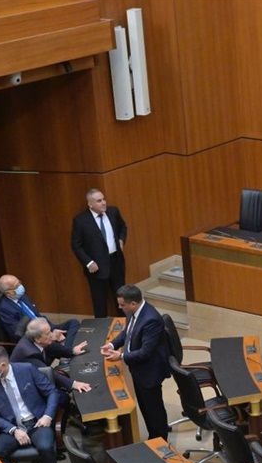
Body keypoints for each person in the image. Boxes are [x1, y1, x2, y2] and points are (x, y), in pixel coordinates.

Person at [101, 285, 170, 440]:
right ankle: (153, 436)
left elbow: (145, 352)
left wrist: (120, 356)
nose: (120, 308)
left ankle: (160, 440)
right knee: (145, 406)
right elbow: (128, 333)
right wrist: (111, 345)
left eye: (122, 305)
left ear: (133, 303)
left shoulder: (151, 319)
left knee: (154, 409)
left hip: (150, 371)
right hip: (138, 368)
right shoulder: (133, 312)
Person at [70, 188, 128, 318]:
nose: (103, 203)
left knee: (121, 299)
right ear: (90, 204)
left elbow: (123, 227)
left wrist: (121, 240)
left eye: (103, 199)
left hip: (116, 262)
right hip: (97, 267)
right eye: (99, 201)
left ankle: (125, 325)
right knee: (100, 302)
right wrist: (89, 262)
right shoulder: (81, 220)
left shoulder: (113, 212)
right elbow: (76, 245)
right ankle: (101, 328)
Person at [11, 317, 90, 394]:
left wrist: (72, 351)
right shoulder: (29, 354)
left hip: (38, 374)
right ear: (38, 339)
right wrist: (73, 384)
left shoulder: (37, 338)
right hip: (25, 386)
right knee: (62, 397)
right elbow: (47, 372)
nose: (52, 335)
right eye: (48, 333)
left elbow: (53, 346)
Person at [0, 274, 80, 343]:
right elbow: (17, 334)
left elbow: (37, 315)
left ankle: (66, 345)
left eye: (19, 282)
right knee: (62, 339)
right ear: (8, 293)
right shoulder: (5, 309)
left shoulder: (23, 296)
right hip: (36, 337)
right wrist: (48, 336)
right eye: (16, 286)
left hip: (45, 327)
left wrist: (51, 330)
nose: (21, 286)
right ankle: (68, 349)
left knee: (73, 322)